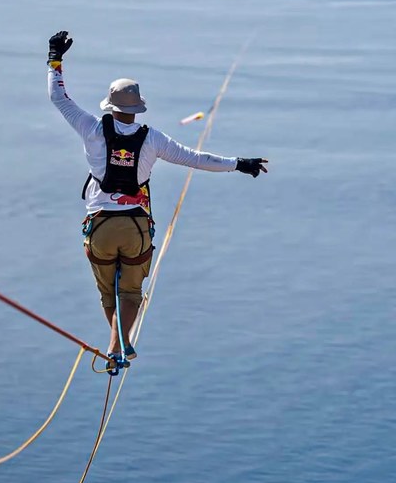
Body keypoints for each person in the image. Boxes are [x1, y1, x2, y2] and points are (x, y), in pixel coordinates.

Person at [46, 30, 267, 371]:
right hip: (135, 227)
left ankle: (117, 344)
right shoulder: (154, 140)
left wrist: (55, 60)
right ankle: (120, 345)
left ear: (110, 105)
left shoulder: (90, 128)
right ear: (137, 109)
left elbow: (59, 99)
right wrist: (240, 164)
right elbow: (197, 159)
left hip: (100, 226)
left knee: (109, 294)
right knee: (131, 293)